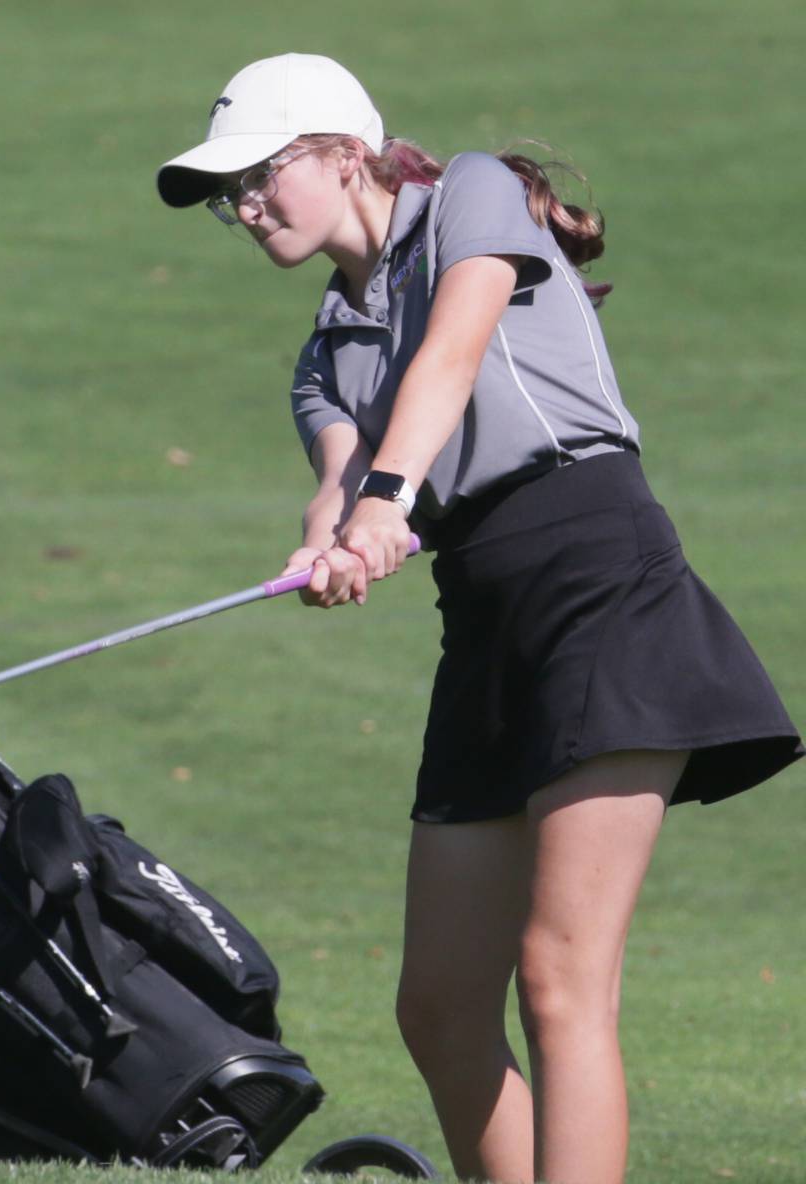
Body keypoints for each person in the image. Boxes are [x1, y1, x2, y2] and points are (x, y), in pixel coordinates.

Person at [156, 53, 802, 1184]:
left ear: (345, 153)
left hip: (601, 581)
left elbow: (453, 353)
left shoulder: (471, 195)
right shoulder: (325, 352)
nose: (245, 204)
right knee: (440, 1006)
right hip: (487, 626)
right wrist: (329, 541)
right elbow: (339, 477)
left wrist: (390, 503)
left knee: (560, 979)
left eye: (261, 175)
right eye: (230, 194)